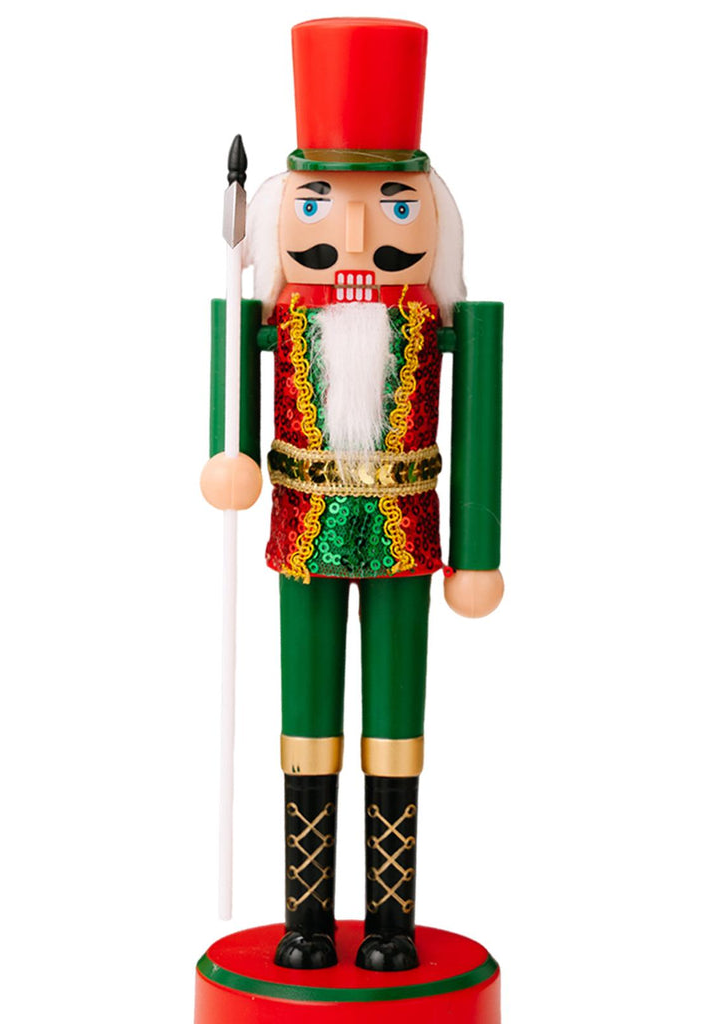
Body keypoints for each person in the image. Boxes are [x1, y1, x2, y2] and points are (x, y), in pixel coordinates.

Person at [201, 18, 503, 972]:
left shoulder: (446, 322)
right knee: (306, 715)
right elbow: (231, 384)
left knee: (397, 721)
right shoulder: (273, 315)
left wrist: (479, 554)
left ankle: (391, 920)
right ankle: (304, 915)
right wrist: (228, 455)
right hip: (303, 533)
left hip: (409, 539)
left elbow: (481, 427)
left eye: (397, 207)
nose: (361, 239)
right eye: (324, 207)